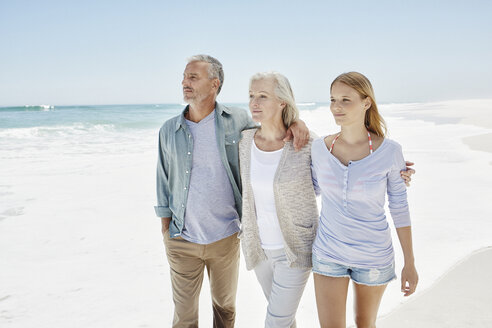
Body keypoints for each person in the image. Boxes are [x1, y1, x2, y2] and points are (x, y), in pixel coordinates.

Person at [154, 55, 309, 328]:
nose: (184, 82)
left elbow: (273, 130)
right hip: (181, 240)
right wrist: (166, 227)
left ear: (214, 84)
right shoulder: (169, 129)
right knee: (184, 315)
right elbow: (163, 178)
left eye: (193, 77)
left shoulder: (238, 120)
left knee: (225, 310)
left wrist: (297, 123)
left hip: (225, 237)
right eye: (184, 76)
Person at [311, 72, 419, 328]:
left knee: (364, 324)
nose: (336, 107)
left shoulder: (390, 151)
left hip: (373, 256)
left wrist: (410, 263)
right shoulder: (318, 148)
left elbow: (399, 208)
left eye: (345, 100)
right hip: (329, 253)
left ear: (366, 102)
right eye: (333, 100)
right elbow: (310, 189)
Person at [238, 72, 319, 327]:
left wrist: (391, 172)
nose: (254, 102)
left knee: (275, 323)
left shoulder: (305, 143)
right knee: (284, 320)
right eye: (252, 96)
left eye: (263, 96)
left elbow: (337, 178)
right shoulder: (245, 142)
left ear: (282, 101)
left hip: (294, 249)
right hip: (259, 249)